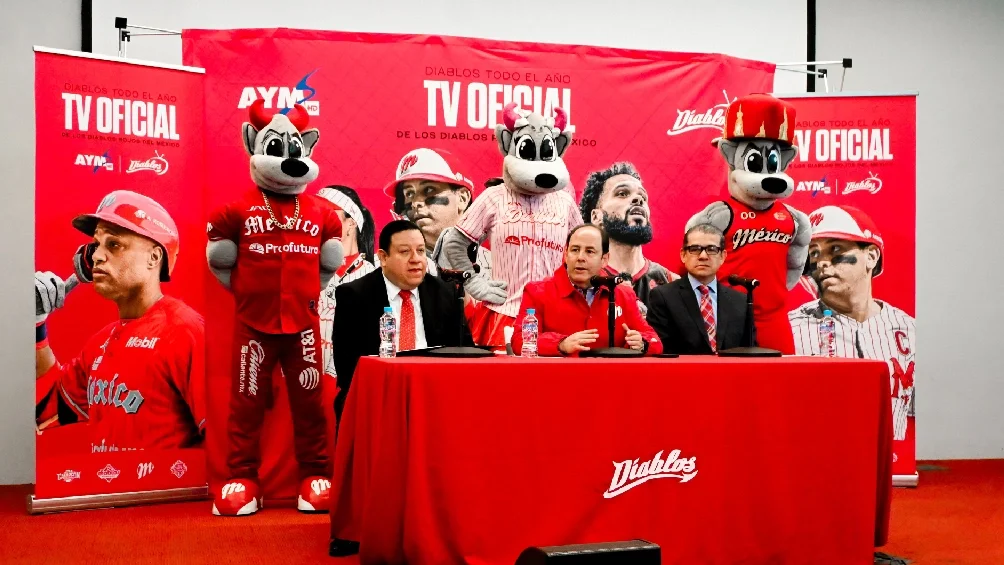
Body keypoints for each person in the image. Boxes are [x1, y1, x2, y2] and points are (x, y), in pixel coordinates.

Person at [33, 190, 206, 452]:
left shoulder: (185, 331)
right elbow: (47, 406)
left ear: (154, 257)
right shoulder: (99, 343)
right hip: (106, 479)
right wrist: (36, 324)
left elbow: (224, 441)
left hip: (164, 481)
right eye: (96, 245)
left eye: (114, 244)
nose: (96, 256)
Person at [788, 205, 915, 441]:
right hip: (817, 454)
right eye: (814, 253)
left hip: (890, 458)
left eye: (835, 249)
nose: (821, 262)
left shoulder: (910, 330)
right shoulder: (790, 329)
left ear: (871, 256)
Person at [331, 220, 475, 423]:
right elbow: (347, 366)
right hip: (378, 393)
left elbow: (464, 351)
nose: (416, 259)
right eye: (405, 252)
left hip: (433, 392)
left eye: (421, 251)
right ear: (383, 257)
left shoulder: (445, 293)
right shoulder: (354, 295)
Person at [510, 224, 662, 357]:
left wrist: (642, 343)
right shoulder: (537, 291)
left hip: (609, 377)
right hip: (559, 377)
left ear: (604, 259)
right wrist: (561, 344)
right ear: (565, 254)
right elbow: (519, 341)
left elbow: (655, 341)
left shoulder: (623, 294)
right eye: (575, 250)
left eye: (589, 251)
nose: (580, 257)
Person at [581, 162, 679, 314]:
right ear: (596, 216)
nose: (638, 200)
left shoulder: (673, 285)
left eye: (642, 196)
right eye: (622, 193)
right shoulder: (581, 283)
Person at [384, 148, 492, 279]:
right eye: (409, 193)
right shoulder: (382, 268)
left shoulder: (498, 268)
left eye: (429, 189)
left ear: (462, 199)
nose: (415, 203)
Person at [646, 224, 751, 355]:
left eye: (711, 249)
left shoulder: (740, 301)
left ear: (723, 256)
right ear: (683, 255)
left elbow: (749, 350)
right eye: (695, 249)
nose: (703, 256)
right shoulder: (663, 297)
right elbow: (661, 350)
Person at [316, 185, 377, 380]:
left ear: (350, 223)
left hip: (353, 382)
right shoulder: (305, 271)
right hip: (307, 382)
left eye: (327, 213)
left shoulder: (375, 277)